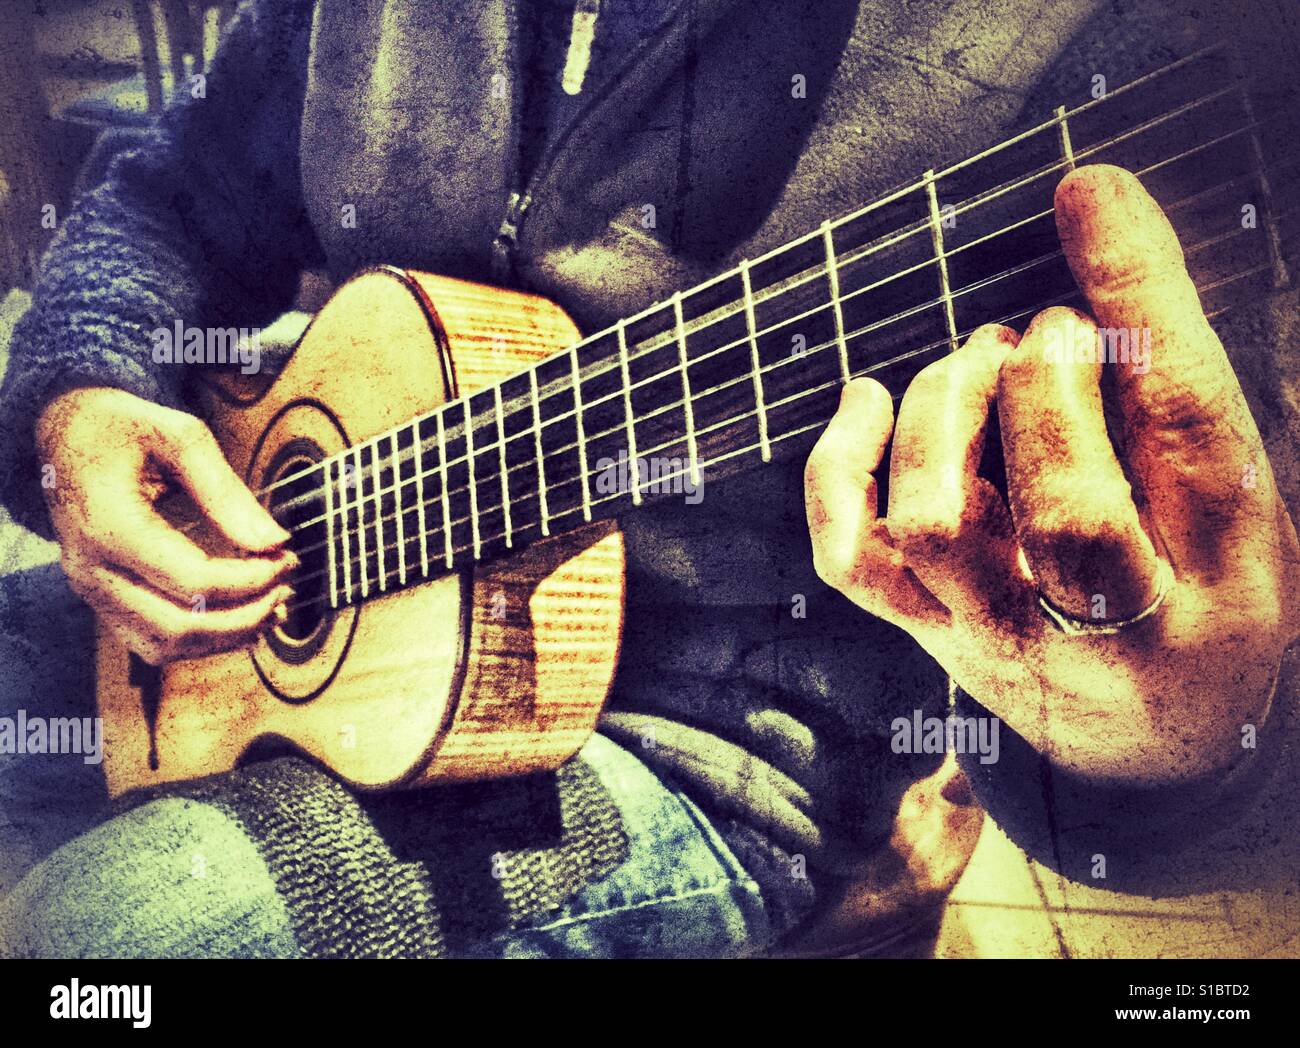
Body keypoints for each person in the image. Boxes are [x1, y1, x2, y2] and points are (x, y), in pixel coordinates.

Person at [0, 0, 1295, 958]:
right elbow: (178, 189)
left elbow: (1200, 758)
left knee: (102, 940)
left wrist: (1170, 727)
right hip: (309, 550)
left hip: (713, 743)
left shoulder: (1121, 43)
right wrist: (82, 396)